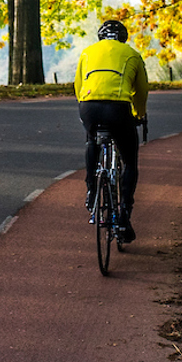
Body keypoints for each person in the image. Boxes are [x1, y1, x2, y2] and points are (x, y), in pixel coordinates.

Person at [74, 19, 148, 243]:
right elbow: (141, 91)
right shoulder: (132, 54)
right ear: (123, 38)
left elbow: (78, 85)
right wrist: (139, 114)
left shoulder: (87, 52)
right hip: (118, 108)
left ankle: (91, 190)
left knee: (91, 141)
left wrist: (85, 110)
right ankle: (124, 214)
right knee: (130, 161)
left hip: (89, 107)